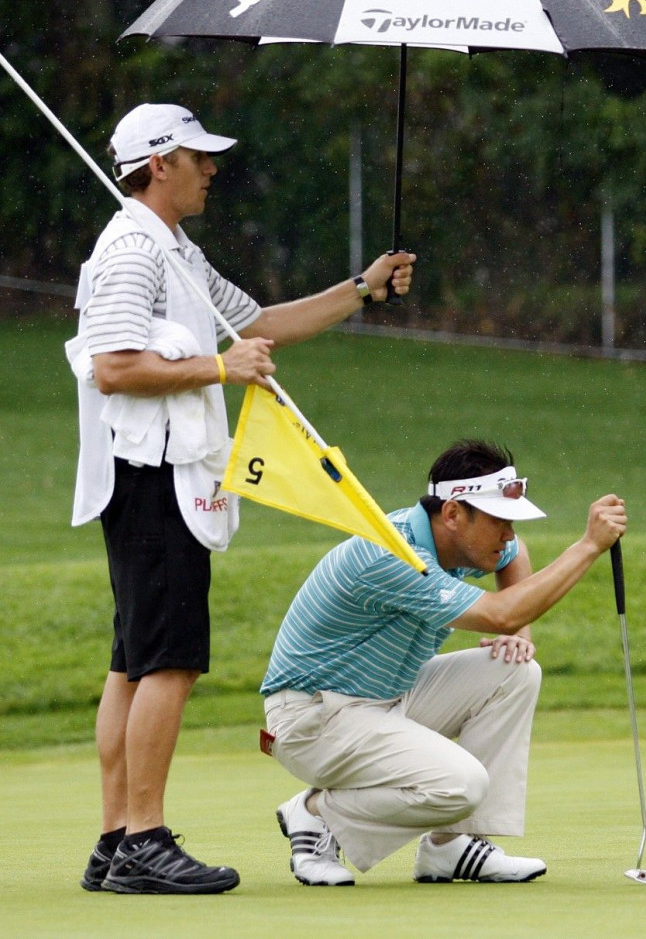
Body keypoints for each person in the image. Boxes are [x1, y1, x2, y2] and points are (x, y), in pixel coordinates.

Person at [68, 102, 415, 895]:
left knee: (133, 659)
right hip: (150, 475)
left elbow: (258, 321)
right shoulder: (131, 248)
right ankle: (144, 841)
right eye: (198, 155)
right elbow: (114, 366)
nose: (212, 168)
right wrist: (220, 370)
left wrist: (361, 288)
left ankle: (117, 836)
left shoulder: (175, 248)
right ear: (160, 163)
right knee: (168, 658)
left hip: (159, 475)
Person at [261, 439, 627, 886]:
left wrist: (519, 636)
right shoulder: (393, 554)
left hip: (384, 699)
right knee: (463, 784)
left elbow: (516, 556)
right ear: (453, 514)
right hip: (312, 717)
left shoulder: (461, 543)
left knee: (515, 671)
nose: (508, 534)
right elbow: (501, 613)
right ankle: (318, 815)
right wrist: (588, 546)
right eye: (499, 521)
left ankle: (452, 846)